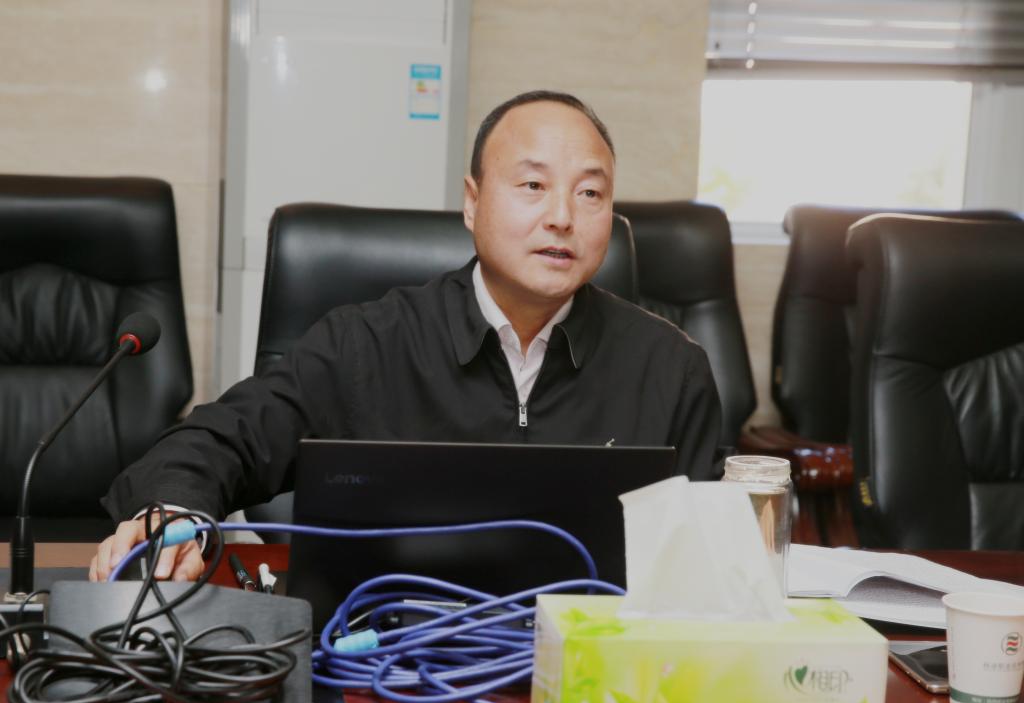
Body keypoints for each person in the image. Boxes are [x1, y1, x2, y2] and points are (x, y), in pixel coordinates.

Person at [89, 90, 722, 583]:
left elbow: (710, 566)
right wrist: (176, 514)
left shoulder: (670, 368)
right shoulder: (365, 345)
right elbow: (215, 440)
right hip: (384, 662)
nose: (561, 216)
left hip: (595, 673)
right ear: (472, 202)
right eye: (533, 185)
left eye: (590, 192)